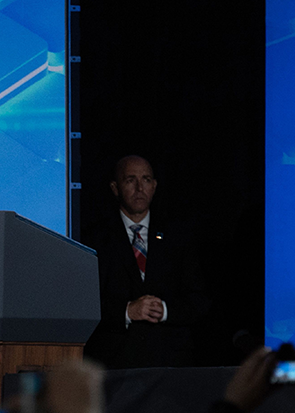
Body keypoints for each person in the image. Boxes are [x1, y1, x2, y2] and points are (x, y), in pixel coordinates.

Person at [86, 155, 209, 368]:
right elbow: (84, 303)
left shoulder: (178, 237)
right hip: (113, 366)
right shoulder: (95, 239)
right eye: (130, 180)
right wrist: (126, 311)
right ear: (115, 188)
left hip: (169, 366)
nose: (139, 188)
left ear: (154, 186)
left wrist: (165, 309)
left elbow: (199, 300)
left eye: (146, 179)